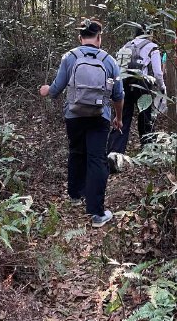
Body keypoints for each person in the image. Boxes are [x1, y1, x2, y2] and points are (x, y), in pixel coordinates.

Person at [39, 18, 123, 228]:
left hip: (73, 116)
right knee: (96, 159)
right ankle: (97, 213)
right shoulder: (109, 60)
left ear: (80, 37)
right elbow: (118, 94)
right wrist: (118, 117)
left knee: (76, 152)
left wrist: (46, 90)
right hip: (99, 116)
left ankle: (76, 195)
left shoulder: (70, 57)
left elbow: (56, 89)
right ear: (99, 38)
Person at [107, 23, 165, 169]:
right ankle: (147, 152)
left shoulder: (126, 46)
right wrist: (162, 86)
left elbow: (118, 70)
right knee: (145, 116)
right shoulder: (152, 47)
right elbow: (158, 72)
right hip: (142, 83)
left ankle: (114, 155)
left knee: (122, 118)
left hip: (124, 84)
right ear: (149, 33)